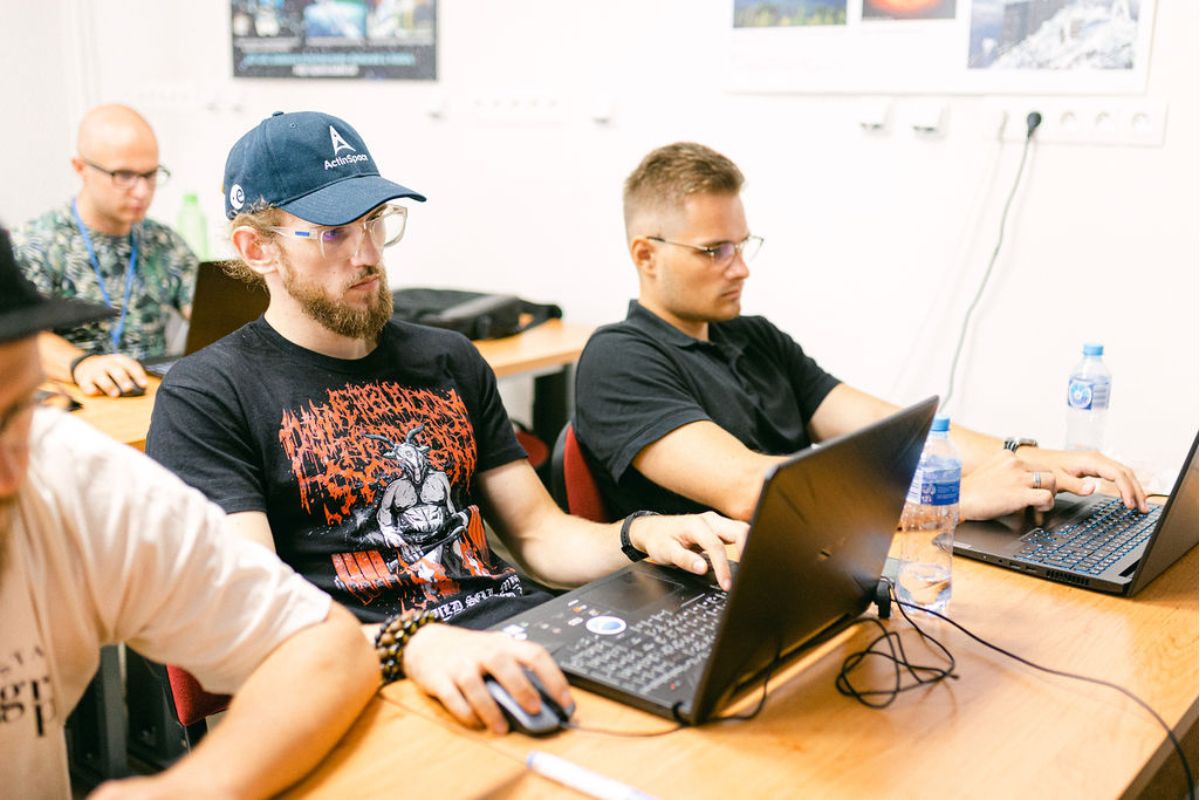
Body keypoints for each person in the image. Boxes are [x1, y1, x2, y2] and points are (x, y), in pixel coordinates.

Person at [144, 111, 747, 736]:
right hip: (364, 678)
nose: (368, 255)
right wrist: (409, 643)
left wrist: (641, 532)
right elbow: (253, 612)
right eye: (333, 234)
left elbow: (539, 535)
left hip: (515, 642)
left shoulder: (448, 358)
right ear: (256, 249)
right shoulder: (207, 394)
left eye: (376, 221)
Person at [573, 141, 1148, 524]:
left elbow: (890, 431)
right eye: (714, 251)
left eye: (742, 246)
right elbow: (751, 489)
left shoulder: (754, 337)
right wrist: (951, 500)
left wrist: (1026, 456)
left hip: (810, 560)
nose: (740, 268)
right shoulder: (619, 358)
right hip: (702, 596)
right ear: (646, 255)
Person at [0, 228, 377, 798]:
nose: (14, 472)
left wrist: (188, 789)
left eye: (21, 409)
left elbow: (321, 644)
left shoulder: (65, 472)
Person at [11, 104, 198, 399]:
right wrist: (82, 365)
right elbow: (20, 337)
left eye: (150, 174)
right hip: (81, 398)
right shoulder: (37, 243)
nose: (141, 191)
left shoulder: (163, 242)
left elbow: (210, 315)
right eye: (123, 175)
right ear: (80, 168)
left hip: (151, 396)